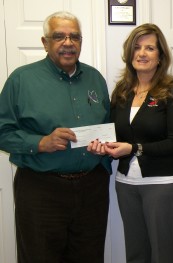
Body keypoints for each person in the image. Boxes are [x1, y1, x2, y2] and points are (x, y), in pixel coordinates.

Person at [0, 11, 111, 263]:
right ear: (45, 42)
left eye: (74, 36)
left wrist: (103, 149)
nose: (68, 42)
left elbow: (107, 125)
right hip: (41, 189)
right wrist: (39, 143)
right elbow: (2, 131)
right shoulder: (21, 79)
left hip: (92, 189)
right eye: (59, 36)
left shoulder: (95, 78)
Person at [89, 23, 173, 263]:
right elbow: (112, 133)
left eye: (150, 48)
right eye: (137, 47)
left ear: (160, 56)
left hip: (161, 185)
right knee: (135, 253)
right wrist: (101, 145)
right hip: (126, 183)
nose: (142, 53)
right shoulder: (122, 91)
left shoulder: (172, 91)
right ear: (129, 53)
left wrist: (134, 149)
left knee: (162, 254)